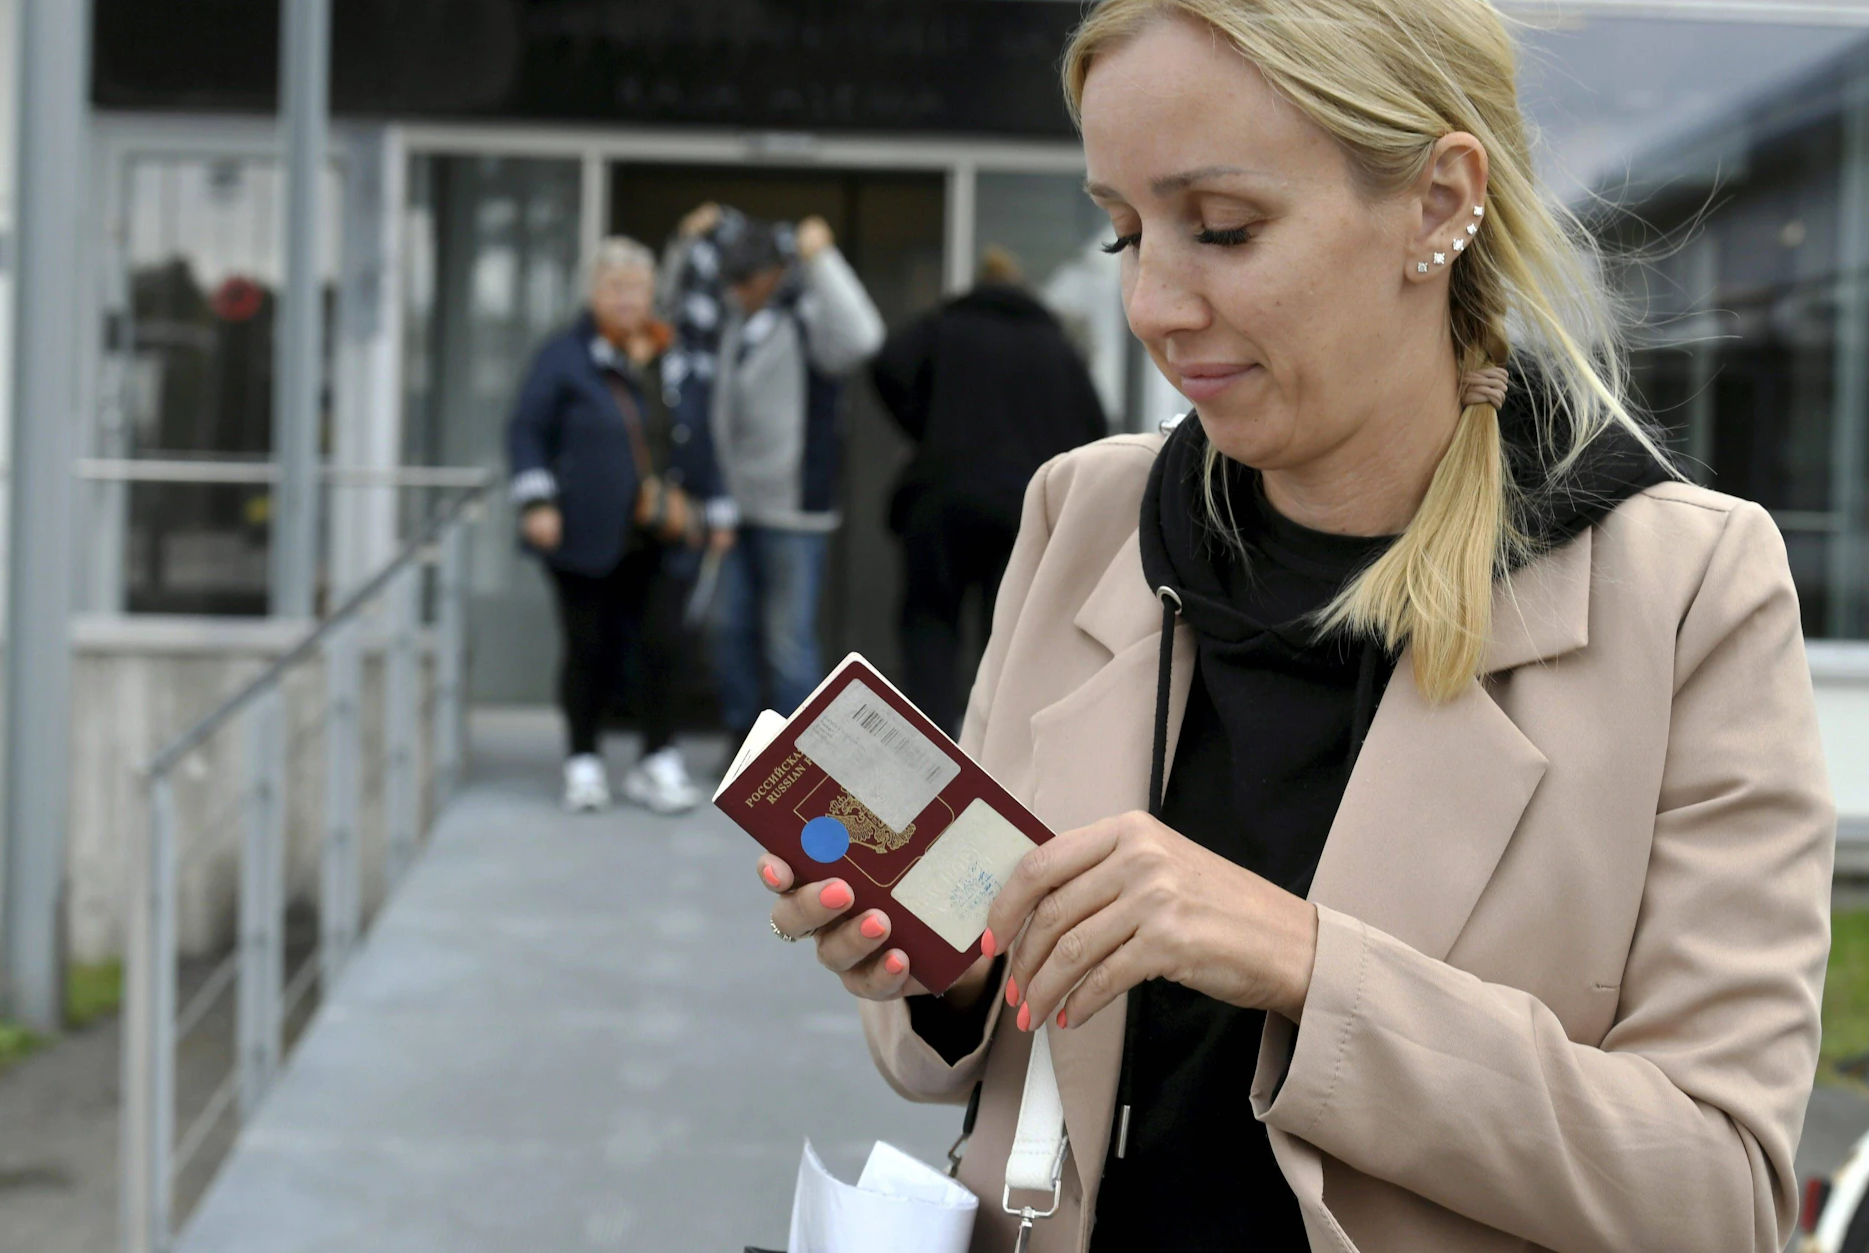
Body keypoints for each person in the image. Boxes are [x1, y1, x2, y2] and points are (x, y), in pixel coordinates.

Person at [750, 2, 1835, 1250]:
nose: (1152, 303)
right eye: (1121, 234)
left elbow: (1717, 1194)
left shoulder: (1688, 588)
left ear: (1436, 203)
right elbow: (950, 1058)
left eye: (1221, 228)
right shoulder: (1082, 515)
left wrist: (1302, 959)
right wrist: (945, 966)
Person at [506, 237, 732, 815]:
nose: (628, 297)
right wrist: (537, 501)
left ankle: (658, 758)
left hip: (664, 532)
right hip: (584, 534)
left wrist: (715, 506)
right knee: (589, 649)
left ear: (653, 293)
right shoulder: (565, 354)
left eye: (637, 287)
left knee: (666, 646)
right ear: (594, 292)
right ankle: (582, 759)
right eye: (615, 286)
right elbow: (526, 429)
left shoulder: (672, 354)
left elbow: (701, 436)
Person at [872, 245, 1108, 735]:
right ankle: (992, 753)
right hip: (1020, 508)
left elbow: (887, 363)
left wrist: (923, 426)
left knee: (930, 622)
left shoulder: (944, 326)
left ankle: (925, 748)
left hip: (941, 498)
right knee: (1006, 637)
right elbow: (1094, 427)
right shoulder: (1054, 346)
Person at [698, 212, 885, 746]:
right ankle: (743, 738)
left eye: (746, 280)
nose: (736, 291)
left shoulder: (807, 318)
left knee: (789, 641)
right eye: (730, 281)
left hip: (794, 510)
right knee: (727, 630)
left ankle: (797, 755)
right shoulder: (734, 322)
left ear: (775, 272)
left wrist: (821, 259)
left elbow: (864, 336)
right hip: (733, 510)